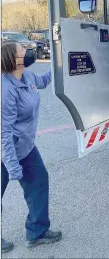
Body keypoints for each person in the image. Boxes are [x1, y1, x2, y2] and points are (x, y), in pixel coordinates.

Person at [1, 41, 62, 254]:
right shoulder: (5, 89)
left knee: (39, 182)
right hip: (5, 150)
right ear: (13, 59)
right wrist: (12, 167)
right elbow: (4, 133)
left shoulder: (27, 76)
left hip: (25, 146)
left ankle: (37, 233)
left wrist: (59, 62)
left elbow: (45, 81)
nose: (27, 52)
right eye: (22, 51)